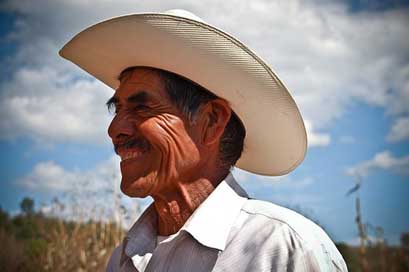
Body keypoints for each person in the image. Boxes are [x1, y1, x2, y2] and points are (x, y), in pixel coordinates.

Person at [60, 9, 347, 272]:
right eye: (118, 109)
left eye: (142, 108)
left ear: (211, 122)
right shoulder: (124, 259)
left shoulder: (282, 250)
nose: (115, 129)